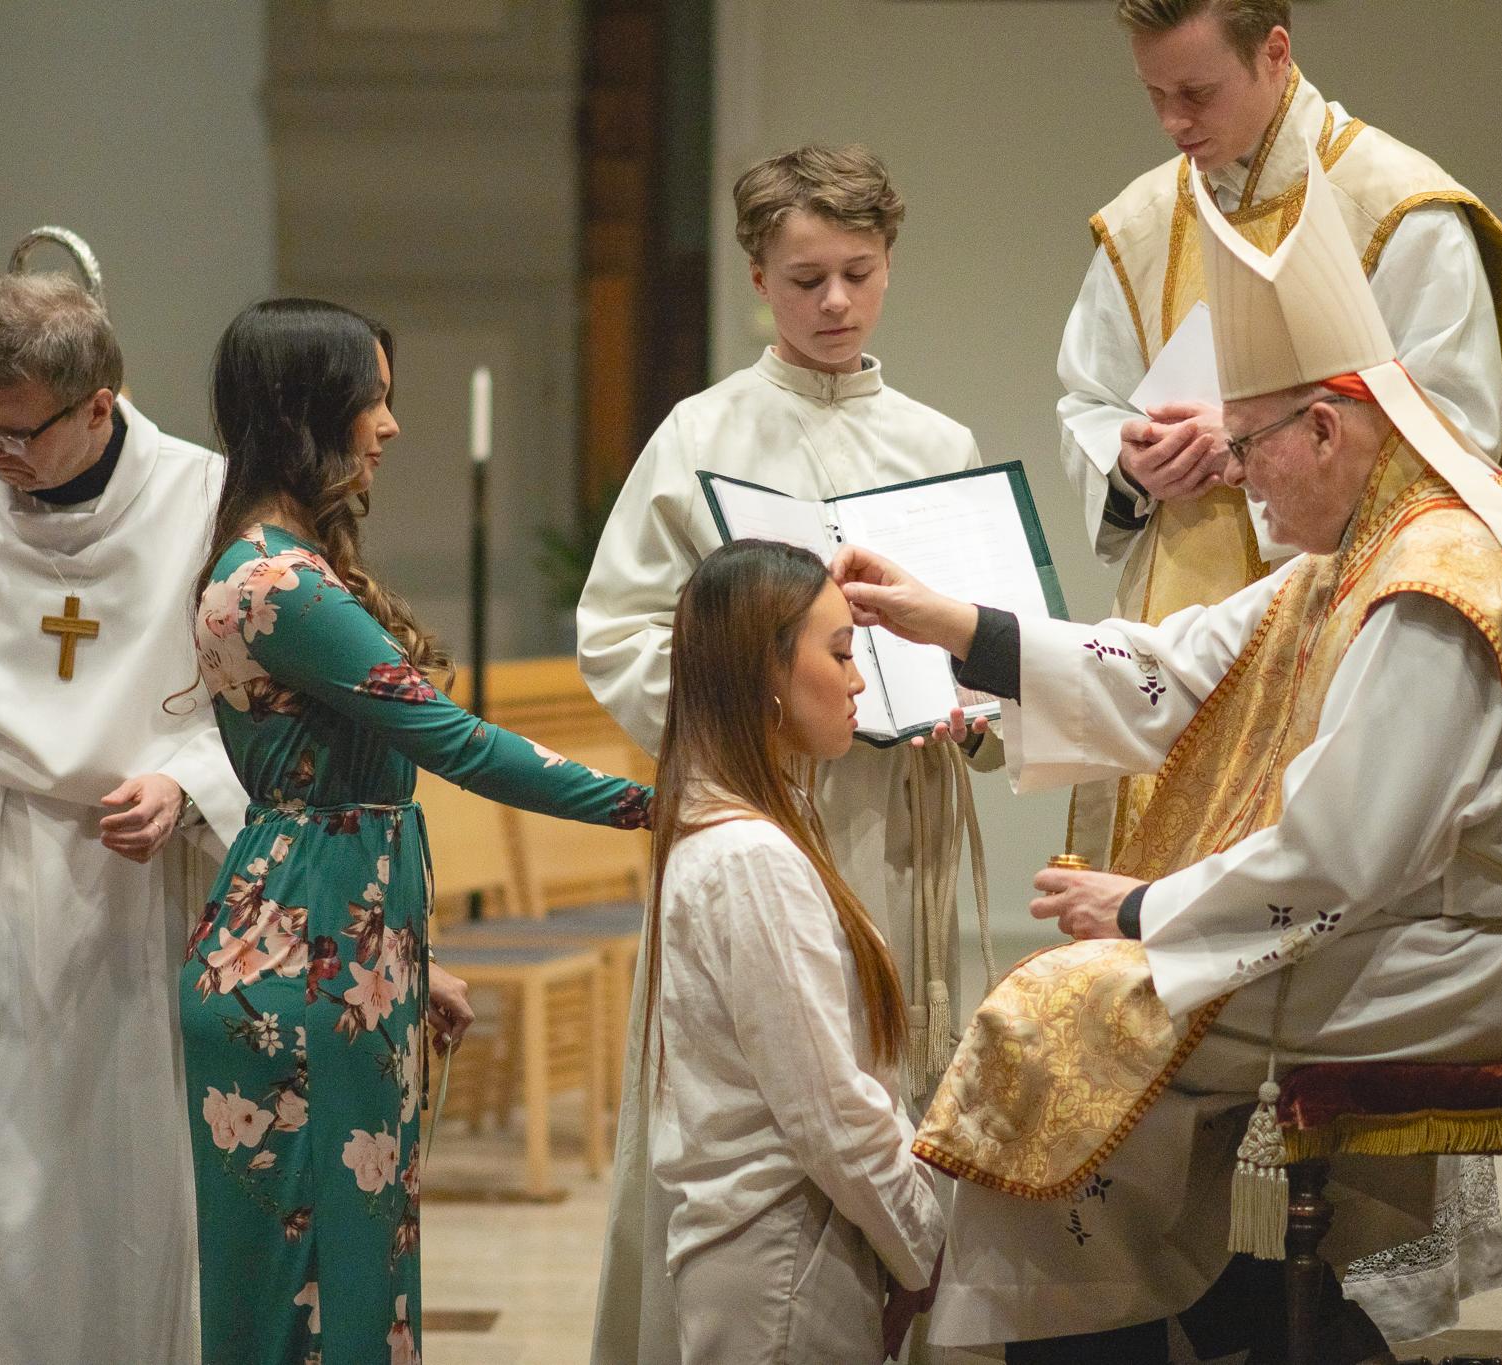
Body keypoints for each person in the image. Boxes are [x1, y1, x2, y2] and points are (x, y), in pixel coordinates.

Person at [837, 161, 1502, 1362]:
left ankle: (1159, 1334)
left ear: (1326, 427)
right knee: (1077, 1019)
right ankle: (1227, 1320)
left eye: (1245, 446)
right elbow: (1177, 671)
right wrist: (955, 625)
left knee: (1055, 1016)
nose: (1230, 476)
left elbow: (1333, 854)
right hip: (1413, 926)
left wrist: (1138, 906)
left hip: (1467, 955)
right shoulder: (1380, 537)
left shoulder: (1431, 582)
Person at [181, 298, 653, 1365]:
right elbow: (458, 744)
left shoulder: (291, 565)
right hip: (298, 966)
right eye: (372, 400)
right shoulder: (276, 585)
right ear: (310, 411)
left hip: (333, 949)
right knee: (312, 1299)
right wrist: (651, 802)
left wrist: (404, 956)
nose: (389, 427)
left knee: (354, 1274)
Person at [582, 145, 994, 1365]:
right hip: (763, 819)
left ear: (887, 270)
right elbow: (618, 631)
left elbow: (983, 622)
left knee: (882, 1074)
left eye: (857, 274)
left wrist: (965, 704)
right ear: (757, 277)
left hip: (892, 819)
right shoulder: (700, 433)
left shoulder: (936, 437)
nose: (833, 303)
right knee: (774, 1099)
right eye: (804, 277)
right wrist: (754, 718)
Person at [0, 271, 249, 1365]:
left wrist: (185, 784)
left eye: (18, 434)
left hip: (138, 886)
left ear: (98, 404)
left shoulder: (208, 506)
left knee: (120, 1189)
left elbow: (262, 715)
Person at [1059, 0, 1502, 868]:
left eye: (1196, 91)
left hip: (1342, 636)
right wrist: (1129, 461)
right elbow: (1086, 400)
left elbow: (1456, 440)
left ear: (1275, 52)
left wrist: (1255, 440)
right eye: (1154, 93)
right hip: (1178, 611)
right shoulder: (1138, 223)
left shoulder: (1399, 211)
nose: (1173, 121)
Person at [645, 538, 944, 1363]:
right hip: (783, 1253)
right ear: (767, 672)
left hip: (790, 1241)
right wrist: (925, 1244)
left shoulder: (757, 826)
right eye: (841, 651)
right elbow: (827, 1109)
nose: (857, 679)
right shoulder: (751, 856)